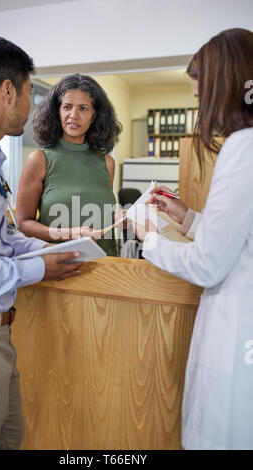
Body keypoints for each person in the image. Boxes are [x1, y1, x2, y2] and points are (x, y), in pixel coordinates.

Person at [0, 35, 84, 450]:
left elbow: (2, 238)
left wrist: (53, 247)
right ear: (8, 90)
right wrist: (38, 269)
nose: (33, 106)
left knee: (9, 439)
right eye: (31, 92)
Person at [131, 28, 253, 450]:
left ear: (226, 86)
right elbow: (241, 240)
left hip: (238, 340)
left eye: (202, 98)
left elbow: (208, 264)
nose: (202, 110)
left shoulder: (243, 147)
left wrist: (150, 239)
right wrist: (189, 218)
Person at [16, 74, 122, 257]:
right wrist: (69, 234)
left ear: (94, 115)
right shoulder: (39, 160)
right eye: (67, 107)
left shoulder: (107, 162)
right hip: (60, 265)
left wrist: (122, 217)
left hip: (106, 264)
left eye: (83, 108)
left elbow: (96, 211)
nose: (74, 115)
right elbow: (24, 224)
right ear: (57, 111)